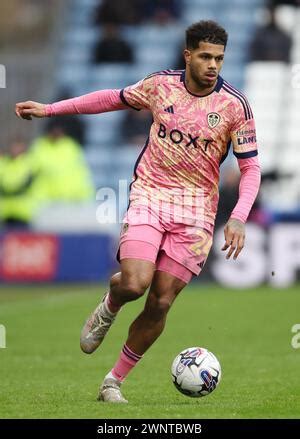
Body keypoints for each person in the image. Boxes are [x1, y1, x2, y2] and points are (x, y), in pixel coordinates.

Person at [15, 20, 261, 404]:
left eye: (219, 58)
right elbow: (110, 98)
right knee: (133, 283)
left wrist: (239, 215)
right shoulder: (160, 85)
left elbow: (250, 168)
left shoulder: (234, 106)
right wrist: (50, 110)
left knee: (161, 301)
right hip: (151, 195)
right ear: (188, 55)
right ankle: (110, 304)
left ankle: (112, 382)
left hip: (197, 212)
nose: (213, 65)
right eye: (206, 56)